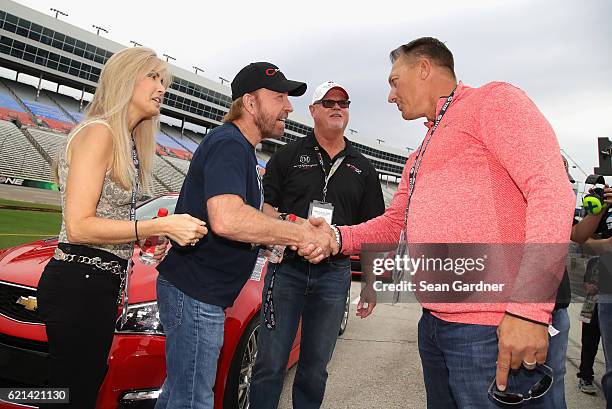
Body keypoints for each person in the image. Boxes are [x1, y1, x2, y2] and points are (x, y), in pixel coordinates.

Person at [309, 37, 575, 408]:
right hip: (435, 325)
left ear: (423, 69)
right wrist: (335, 237)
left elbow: (552, 192)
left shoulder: (492, 101)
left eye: (393, 81)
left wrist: (529, 309)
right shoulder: (419, 151)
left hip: (492, 326)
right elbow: (393, 223)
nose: (390, 95)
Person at [154, 62, 338, 409]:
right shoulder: (230, 144)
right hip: (195, 294)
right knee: (192, 400)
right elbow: (227, 219)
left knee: (178, 396)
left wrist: (289, 227)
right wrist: (297, 235)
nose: (289, 106)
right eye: (280, 97)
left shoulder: (240, 148)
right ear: (250, 104)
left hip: (197, 292)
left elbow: (247, 219)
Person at [36, 47, 208, 409]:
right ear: (125, 79)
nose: (162, 87)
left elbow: (109, 221)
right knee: (70, 395)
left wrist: (151, 234)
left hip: (96, 285)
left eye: (164, 80)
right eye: (153, 77)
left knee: (76, 389)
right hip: (77, 284)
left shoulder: (127, 142)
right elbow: (80, 227)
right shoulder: (99, 133)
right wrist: (158, 223)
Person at [249, 81, 385, 409]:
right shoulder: (286, 156)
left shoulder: (363, 167)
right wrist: (293, 229)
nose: (337, 107)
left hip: (334, 274)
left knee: (314, 369)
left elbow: (374, 230)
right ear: (313, 110)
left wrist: (370, 284)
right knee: (270, 362)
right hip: (287, 270)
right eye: (328, 102)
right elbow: (265, 210)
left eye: (344, 102)